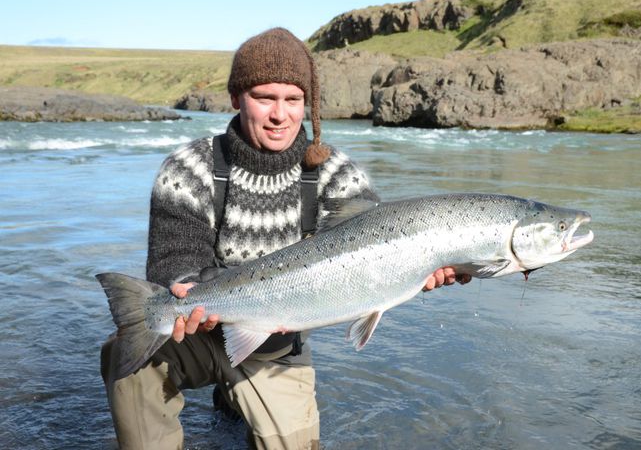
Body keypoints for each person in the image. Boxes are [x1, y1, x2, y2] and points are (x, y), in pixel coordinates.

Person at [100, 27, 469, 450]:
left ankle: (236, 399)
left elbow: (380, 254)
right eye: (265, 98)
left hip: (278, 350)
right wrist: (189, 291)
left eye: (293, 100)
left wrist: (423, 269)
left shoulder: (337, 174)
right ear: (237, 98)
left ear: (306, 103)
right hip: (198, 334)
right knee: (123, 358)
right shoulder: (188, 168)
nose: (280, 115)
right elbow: (172, 261)